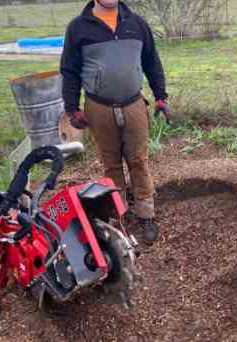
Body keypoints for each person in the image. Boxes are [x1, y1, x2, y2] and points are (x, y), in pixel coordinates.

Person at [60, 0, 170, 244]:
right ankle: (118, 216)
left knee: (139, 160)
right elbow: (69, 70)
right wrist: (71, 108)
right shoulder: (78, 28)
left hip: (134, 104)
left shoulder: (137, 24)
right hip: (98, 107)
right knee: (111, 164)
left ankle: (146, 213)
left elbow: (152, 61)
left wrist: (160, 96)